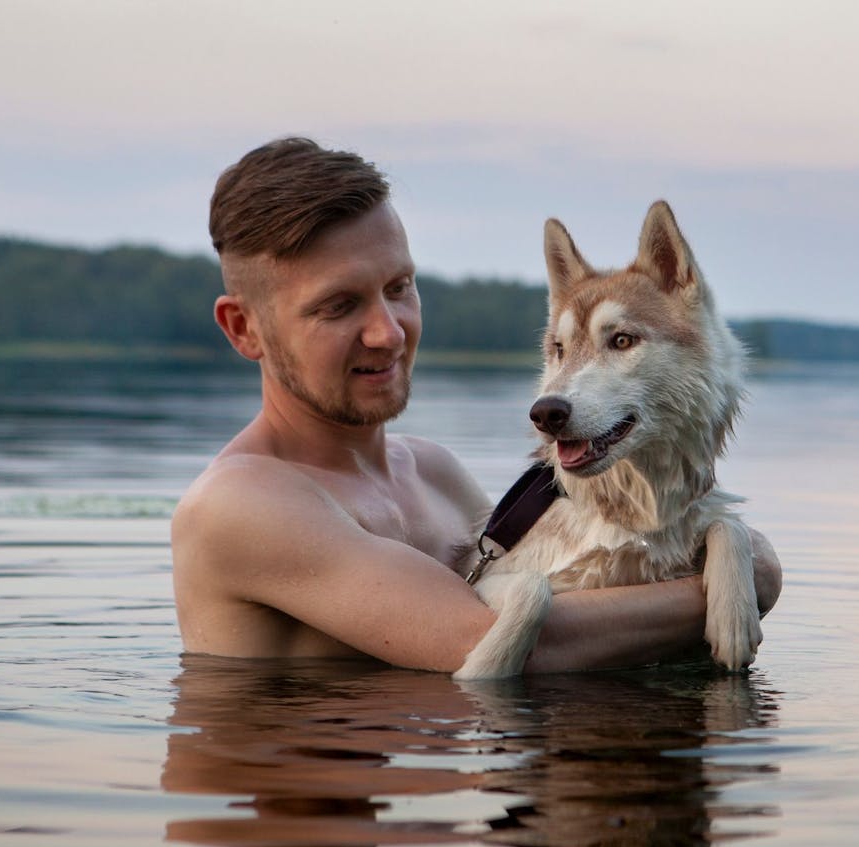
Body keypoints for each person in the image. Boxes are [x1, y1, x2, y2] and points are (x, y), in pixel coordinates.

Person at [171, 137, 780, 674]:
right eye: (338, 306)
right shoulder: (239, 503)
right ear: (243, 328)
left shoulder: (431, 470)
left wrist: (720, 537)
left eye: (399, 287)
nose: (388, 331)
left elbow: (586, 580)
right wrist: (745, 578)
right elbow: (501, 646)